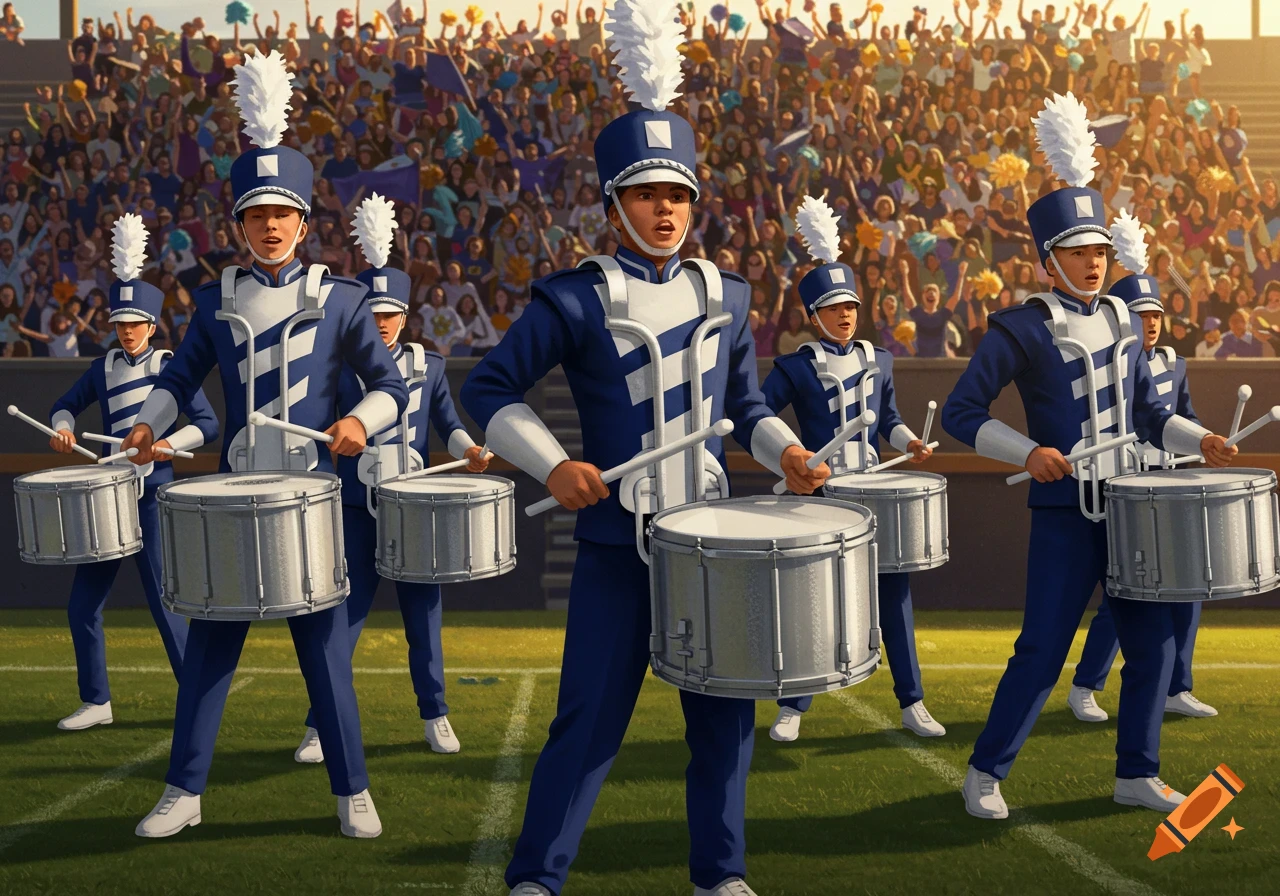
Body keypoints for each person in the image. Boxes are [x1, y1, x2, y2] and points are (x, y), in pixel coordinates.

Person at [460, 4, 827, 893]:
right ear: (614, 203)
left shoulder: (727, 294)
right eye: (646, 194)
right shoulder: (573, 297)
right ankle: (537, 876)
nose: (665, 210)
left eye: (678, 195)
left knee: (724, 718)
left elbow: (744, 406)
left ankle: (720, 873)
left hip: (711, 540)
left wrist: (786, 452)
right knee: (587, 720)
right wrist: (554, 464)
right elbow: (488, 391)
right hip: (615, 547)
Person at [120, 51, 409, 840]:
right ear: (239, 225)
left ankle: (352, 789)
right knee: (211, 647)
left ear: (305, 224)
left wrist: (360, 422)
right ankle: (185, 790)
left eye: (283, 213)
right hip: (236, 498)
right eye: (257, 215)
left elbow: (390, 386)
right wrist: (148, 423)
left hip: (315, 498)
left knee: (325, 654)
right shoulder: (215, 301)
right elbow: (179, 377)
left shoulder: (343, 300)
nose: (271, 226)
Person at [941, 95, 1236, 821]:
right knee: (1043, 649)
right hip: (1066, 514)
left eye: (1100, 251)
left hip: (1132, 507)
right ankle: (985, 771)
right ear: (1049, 260)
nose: (1094, 262)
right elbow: (960, 413)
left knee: (1153, 646)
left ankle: (1137, 772)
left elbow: (1150, 415)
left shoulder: (1125, 320)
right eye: (1078, 252)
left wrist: (1201, 440)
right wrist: (1029, 450)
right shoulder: (1020, 327)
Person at [294, 193, 490, 764]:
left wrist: (470, 450)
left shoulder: (430, 366)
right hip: (355, 507)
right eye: (373, 316)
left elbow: (449, 425)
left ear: (405, 317)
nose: (381, 325)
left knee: (422, 619)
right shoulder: (337, 368)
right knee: (342, 619)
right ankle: (321, 723)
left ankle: (435, 713)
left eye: (390, 316)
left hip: (413, 508)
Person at [762, 196, 944, 745]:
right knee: (813, 600)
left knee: (895, 597)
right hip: (821, 497)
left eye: (850, 306)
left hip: (873, 491)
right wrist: (794, 455)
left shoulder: (879, 359)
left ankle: (912, 701)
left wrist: (910, 442)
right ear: (813, 315)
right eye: (833, 307)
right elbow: (759, 415)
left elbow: (888, 419)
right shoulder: (795, 367)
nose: (844, 315)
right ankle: (794, 704)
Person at [46, 213, 218, 732]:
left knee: (167, 604)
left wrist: (167, 446)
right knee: (82, 606)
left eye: (134, 323)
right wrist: (63, 430)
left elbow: (207, 424)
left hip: (153, 498)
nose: (126, 331)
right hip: (109, 498)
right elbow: (63, 405)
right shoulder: (102, 367)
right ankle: (96, 701)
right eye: (120, 323)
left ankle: (194, 702)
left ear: (152, 324)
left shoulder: (170, 365)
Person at [1068, 241, 1215, 725]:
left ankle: (1177, 687)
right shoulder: (1109, 364)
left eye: (1155, 315)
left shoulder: (1175, 362)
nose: (1150, 324)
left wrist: (1202, 441)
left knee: (1188, 588)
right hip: (1129, 487)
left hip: (1172, 487)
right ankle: (1085, 685)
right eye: (1140, 315)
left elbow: (1184, 415)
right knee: (1128, 592)